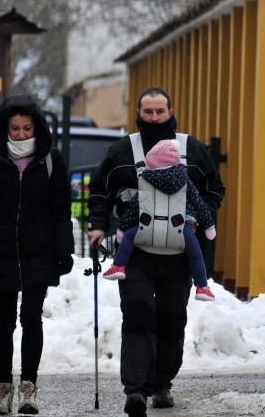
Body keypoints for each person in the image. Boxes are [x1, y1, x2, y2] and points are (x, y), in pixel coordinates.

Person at [87, 87, 224, 417]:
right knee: (137, 314)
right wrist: (98, 224)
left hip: (178, 253)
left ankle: (161, 383)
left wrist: (198, 218)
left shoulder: (192, 150)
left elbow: (215, 190)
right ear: (138, 112)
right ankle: (136, 390)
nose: (153, 118)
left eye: (159, 112)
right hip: (135, 254)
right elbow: (100, 191)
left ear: (171, 111)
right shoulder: (122, 151)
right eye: (147, 112)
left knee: (171, 319)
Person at [0, 95, 74, 416]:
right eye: (15, 128)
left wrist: (65, 248)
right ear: (5, 129)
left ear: (36, 128)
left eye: (26, 128)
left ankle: (29, 390)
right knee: (3, 323)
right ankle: (2, 390)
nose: (21, 134)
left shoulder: (51, 160)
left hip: (40, 251)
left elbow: (62, 209)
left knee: (31, 319)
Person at [102, 139, 217, 302]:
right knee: (195, 253)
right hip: (180, 228)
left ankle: (119, 266)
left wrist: (122, 230)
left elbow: (134, 208)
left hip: (147, 227)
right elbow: (199, 204)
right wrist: (209, 227)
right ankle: (202, 287)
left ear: (156, 164)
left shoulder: (146, 180)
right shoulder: (185, 180)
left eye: (149, 163)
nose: (147, 166)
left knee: (128, 237)